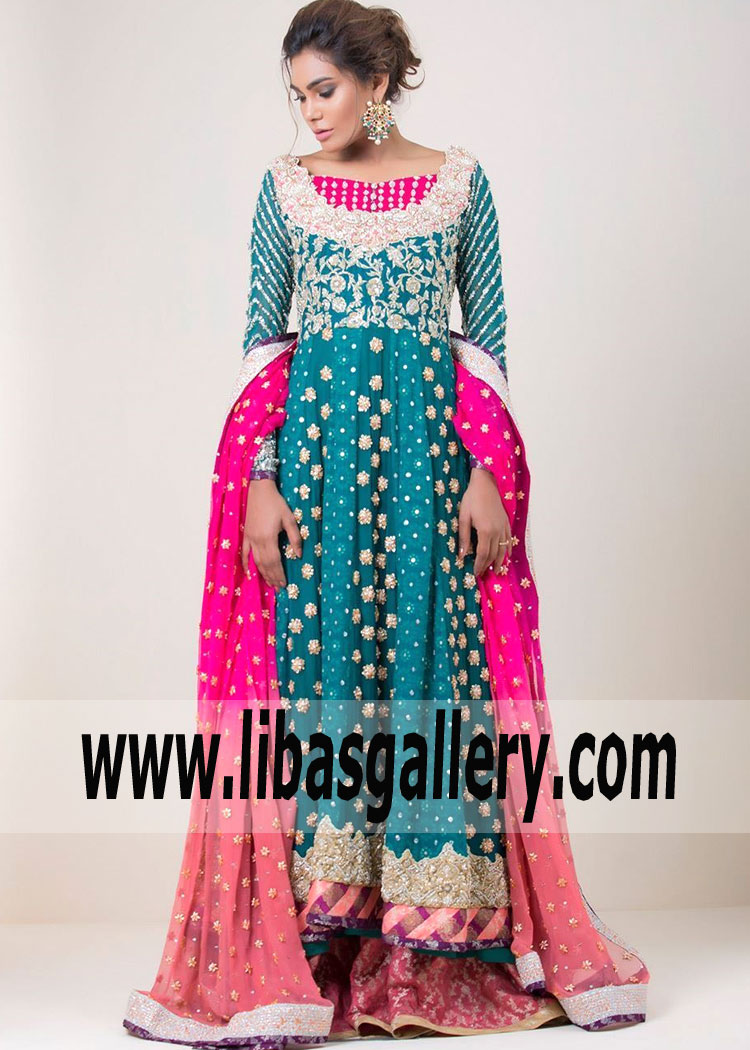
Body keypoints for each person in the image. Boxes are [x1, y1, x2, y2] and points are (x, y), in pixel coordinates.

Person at [122, 1, 650, 1044]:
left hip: (428, 469)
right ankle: (320, 946)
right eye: (297, 95)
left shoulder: (460, 182)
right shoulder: (285, 187)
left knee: (432, 681)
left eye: (324, 90)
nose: (309, 113)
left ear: (376, 80)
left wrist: (487, 474)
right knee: (318, 680)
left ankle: (429, 952)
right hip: (316, 474)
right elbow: (262, 346)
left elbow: (486, 344)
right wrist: (260, 481)